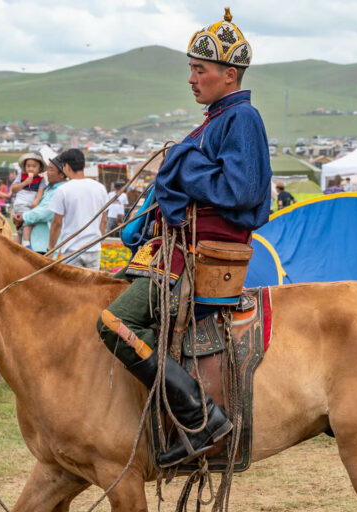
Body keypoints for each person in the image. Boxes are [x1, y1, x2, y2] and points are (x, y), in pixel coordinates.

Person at [97, 9, 271, 469]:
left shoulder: (242, 118)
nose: (192, 79)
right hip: (180, 250)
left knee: (114, 323)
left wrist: (184, 164)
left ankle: (201, 416)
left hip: (199, 257)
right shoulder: (217, 120)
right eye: (191, 69)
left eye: (201, 70)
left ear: (228, 75)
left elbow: (244, 190)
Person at [48, 148, 108, 268]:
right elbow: (104, 220)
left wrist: (50, 249)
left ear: (67, 167)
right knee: (91, 286)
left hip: (71, 250)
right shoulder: (100, 188)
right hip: (93, 249)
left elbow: (57, 224)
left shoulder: (63, 190)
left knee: (71, 286)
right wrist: (97, 242)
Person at [14, 155, 67, 253]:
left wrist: (23, 217)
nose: (47, 173)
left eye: (51, 170)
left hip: (44, 246)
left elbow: (44, 212)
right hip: (36, 245)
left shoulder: (61, 190)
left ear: (62, 175)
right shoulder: (47, 189)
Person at [10, 152, 46, 219]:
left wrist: (36, 201)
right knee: (27, 221)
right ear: (24, 167)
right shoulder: (21, 176)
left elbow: (40, 192)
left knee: (27, 225)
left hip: (32, 206)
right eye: (28, 166)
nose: (31, 169)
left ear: (40, 168)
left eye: (34, 166)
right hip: (21, 204)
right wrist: (25, 182)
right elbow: (13, 189)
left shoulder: (41, 180)